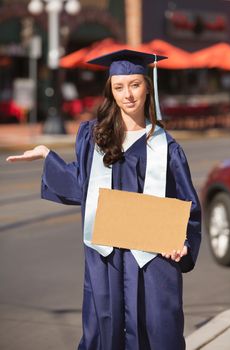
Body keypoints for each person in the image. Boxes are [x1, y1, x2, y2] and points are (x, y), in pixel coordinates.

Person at [6, 50, 201, 350]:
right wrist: (47, 155)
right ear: (110, 89)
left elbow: (189, 207)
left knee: (156, 335)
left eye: (135, 85)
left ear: (148, 86)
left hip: (151, 265)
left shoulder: (167, 148)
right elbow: (81, 186)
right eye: (119, 87)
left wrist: (184, 242)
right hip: (105, 261)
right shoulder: (94, 137)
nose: (128, 95)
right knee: (103, 334)